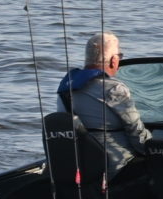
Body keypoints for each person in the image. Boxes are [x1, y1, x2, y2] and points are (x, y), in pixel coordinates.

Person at [55, 31, 152, 171]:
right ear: (113, 60)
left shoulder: (66, 87)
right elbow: (136, 133)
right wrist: (155, 149)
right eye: (120, 56)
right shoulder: (114, 88)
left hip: (79, 166)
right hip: (117, 167)